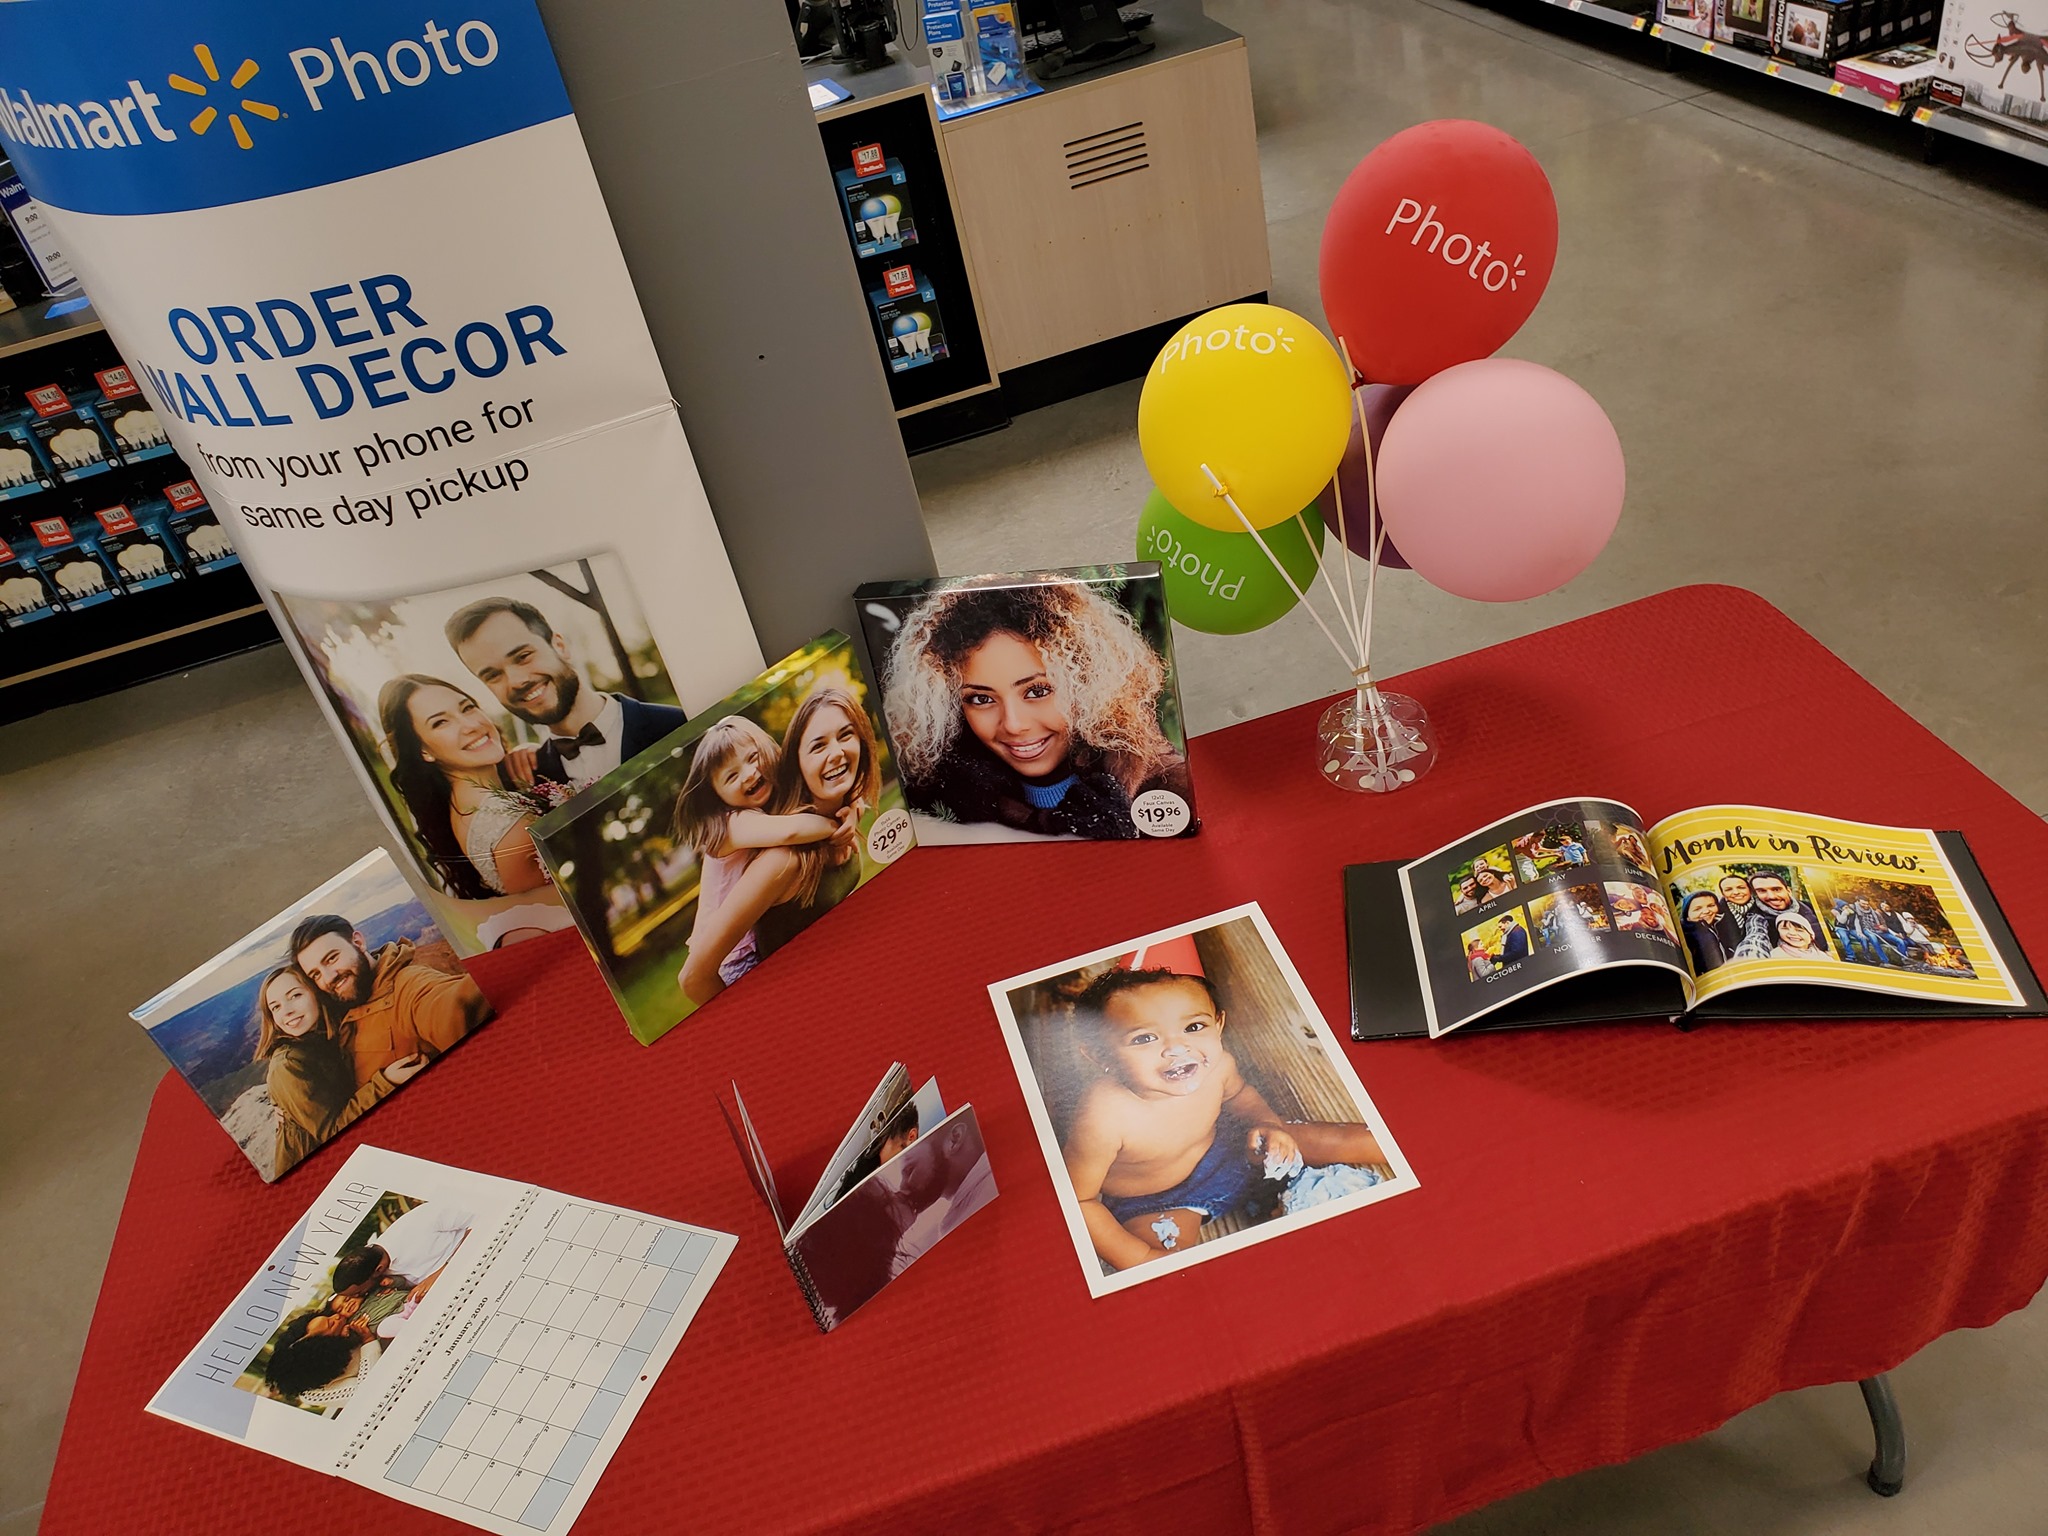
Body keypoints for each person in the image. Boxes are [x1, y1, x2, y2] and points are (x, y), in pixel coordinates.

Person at [1061, 966, 1386, 1272]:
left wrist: (1268, 1125)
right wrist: (1143, 1261)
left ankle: (1400, 1145)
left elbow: (1239, 1094)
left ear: (1219, 1026)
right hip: (1158, 1201)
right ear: (1099, 1055)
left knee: (1318, 1137)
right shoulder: (1102, 1116)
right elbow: (1079, 1200)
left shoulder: (1217, 1066)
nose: (1178, 1048)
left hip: (1231, 1151)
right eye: (1145, 1038)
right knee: (1173, 1266)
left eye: (1193, 1027)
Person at [879, 581, 1190, 840]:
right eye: (981, 699)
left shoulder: (1167, 789)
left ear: (1087, 684)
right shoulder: (940, 806)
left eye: (1038, 691)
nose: (1013, 725)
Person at [676, 687, 881, 1005]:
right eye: (731, 776)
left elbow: (832, 807)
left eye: (753, 758)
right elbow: (791, 832)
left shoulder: (773, 807)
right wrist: (836, 829)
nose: (749, 774)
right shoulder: (735, 825)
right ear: (716, 794)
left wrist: (851, 812)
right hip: (735, 962)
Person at [446, 594, 687, 790]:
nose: (517, 681)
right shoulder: (523, 780)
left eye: (523, 656)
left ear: (560, 646)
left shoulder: (678, 724)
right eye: (493, 675)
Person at [378, 673, 549, 901]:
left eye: (467, 708)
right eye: (440, 722)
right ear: (423, 751)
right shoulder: (509, 821)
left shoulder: (463, 806)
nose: (471, 725)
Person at [254, 965, 426, 1175]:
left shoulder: (326, 1035)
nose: (287, 1011)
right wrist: (386, 1082)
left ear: (317, 993)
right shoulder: (288, 1064)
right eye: (275, 1007)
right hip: (317, 1173)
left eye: (295, 996)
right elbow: (333, 1131)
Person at [292, 912, 491, 1089]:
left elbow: (458, 1009)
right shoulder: (341, 1003)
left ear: (358, 943)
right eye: (316, 974)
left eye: (332, 958)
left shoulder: (409, 986)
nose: (328, 978)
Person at [1748, 872, 1825, 952]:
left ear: (1788, 890)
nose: (1771, 896)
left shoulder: (1808, 906)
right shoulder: (1755, 918)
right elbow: (1754, 940)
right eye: (1761, 891)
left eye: (1776, 889)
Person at [1680, 891, 1729, 973]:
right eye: (1697, 909)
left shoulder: (1721, 923)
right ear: (1687, 916)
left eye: (1711, 905)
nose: (1706, 911)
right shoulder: (1687, 934)